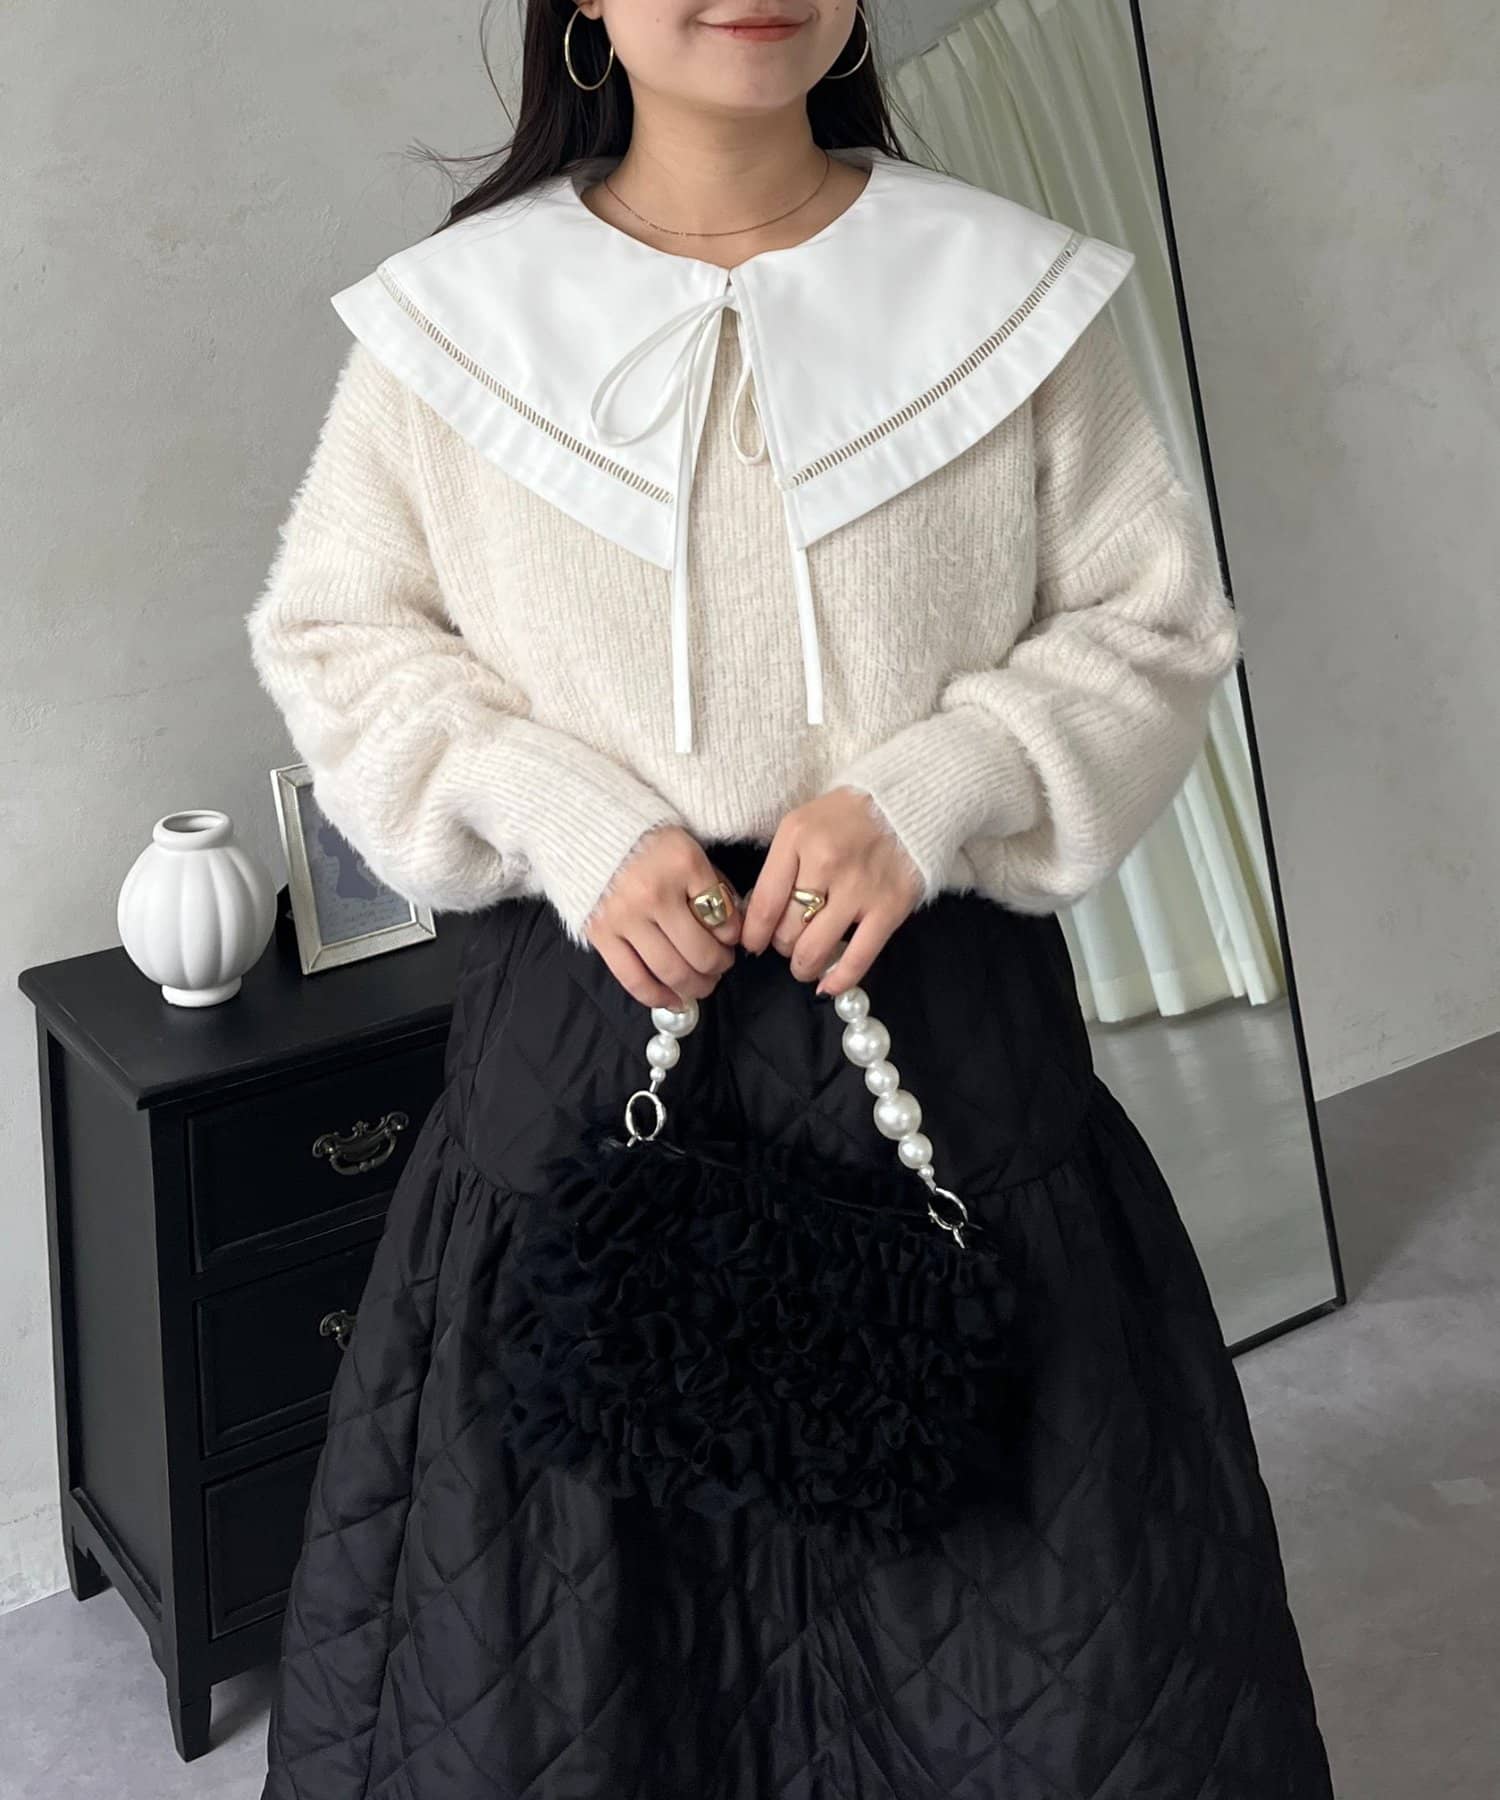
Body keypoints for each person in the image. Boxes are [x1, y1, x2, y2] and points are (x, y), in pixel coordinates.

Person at [245, 2, 1336, 1794]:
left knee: (1051, 1667)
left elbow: (1150, 626)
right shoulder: (453, 322)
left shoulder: (1006, 293)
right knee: (567, 1675)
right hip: (587, 1057)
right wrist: (561, 813)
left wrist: (938, 788)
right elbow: (341, 637)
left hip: (945, 1046)